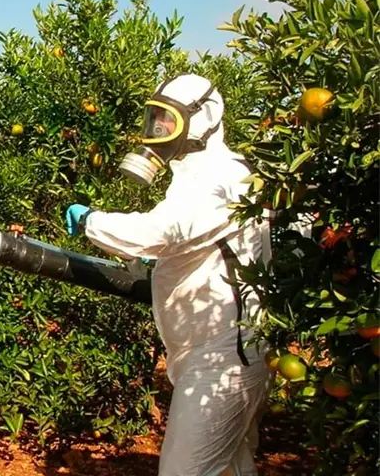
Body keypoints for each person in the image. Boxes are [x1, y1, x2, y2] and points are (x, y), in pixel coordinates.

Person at [64, 73, 274, 476]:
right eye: (155, 118)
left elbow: (165, 231)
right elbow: (194, 245)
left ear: (204, 116)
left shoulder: (223, 177)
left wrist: (93, 221)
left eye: (168, 119)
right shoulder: (195, 175)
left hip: (225, 356)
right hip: (209, 349)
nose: (159, 129)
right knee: (231, 467)